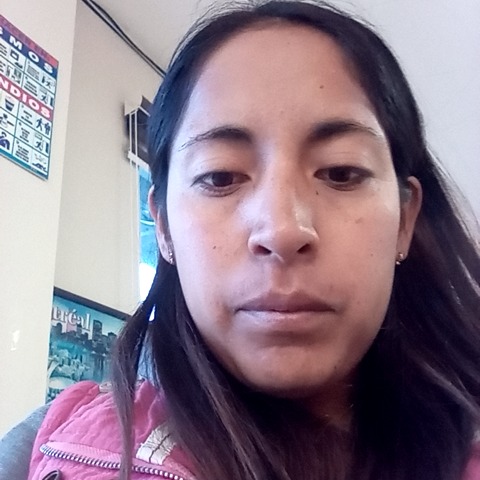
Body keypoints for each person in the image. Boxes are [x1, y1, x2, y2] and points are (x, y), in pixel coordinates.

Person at [2, 1, 479, 479]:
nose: (282, 230)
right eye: (220, 176)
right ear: (163, 226)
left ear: (404, 219)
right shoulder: (50, 447)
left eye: (340, 172)